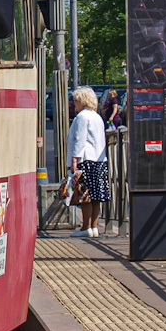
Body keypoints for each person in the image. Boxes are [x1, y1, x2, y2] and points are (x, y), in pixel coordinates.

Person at [67, 85, 109, 238]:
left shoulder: (82, 117)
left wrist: (74, 160)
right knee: (96, 195)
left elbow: (79, 140)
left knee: (84, 195)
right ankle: (94, 227)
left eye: (76, 101)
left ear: (82, 101)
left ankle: (85, 227)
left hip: (85, 160)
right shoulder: (97, 116)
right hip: (99, 160)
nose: (74, 104)